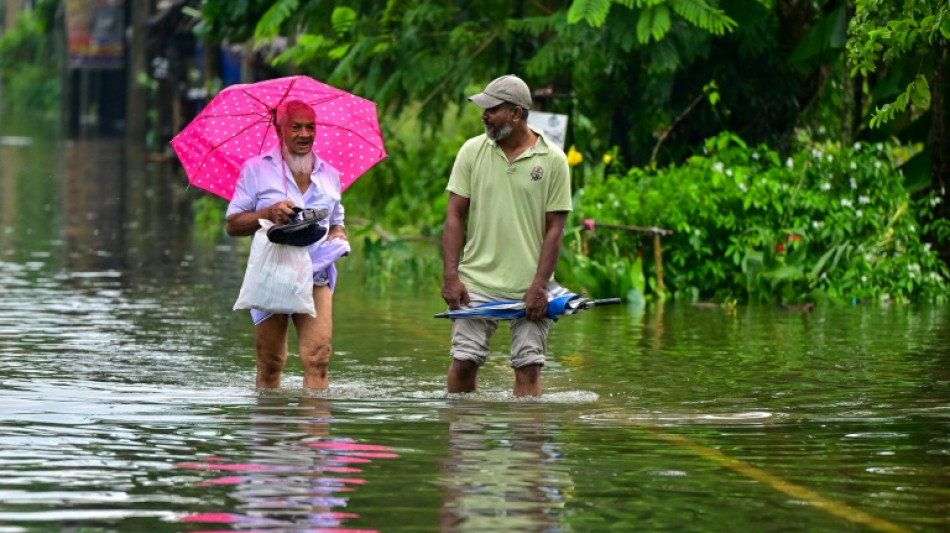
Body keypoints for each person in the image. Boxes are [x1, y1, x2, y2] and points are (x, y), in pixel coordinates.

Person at [441, 74, 572, 397]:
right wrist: (451, 276)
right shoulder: (472, 152)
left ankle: (528, 444)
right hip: (477, 284)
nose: (483, 114)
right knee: (464, 361)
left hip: (530, 285)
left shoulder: (553, 160)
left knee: (528, 367)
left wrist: (540, 287)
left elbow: (555, 228)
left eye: (492, 108)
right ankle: (462, 440)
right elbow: (455, 216)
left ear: (516, 113)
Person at [225, 99, 348, 390]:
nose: (305, 134)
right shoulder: (255, 170)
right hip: (272, 274)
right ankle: (269, 432)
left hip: (316, 273)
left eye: (310, 127)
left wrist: (339, 235)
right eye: (296, 127)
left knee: (318, 358)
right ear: (280, 130)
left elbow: (337, 220)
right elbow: (232, 225)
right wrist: (268, 214)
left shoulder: (330, 175)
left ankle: (315, 434)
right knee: (270, 362)